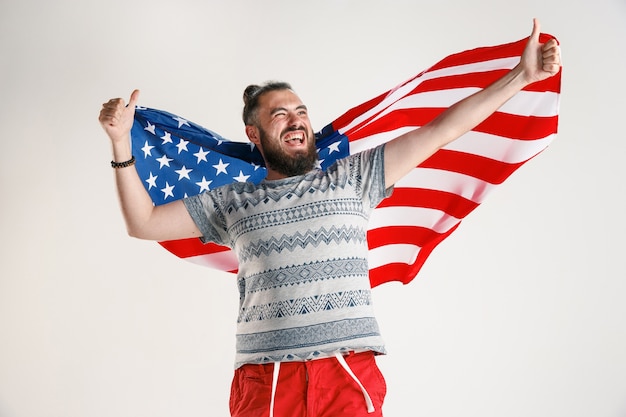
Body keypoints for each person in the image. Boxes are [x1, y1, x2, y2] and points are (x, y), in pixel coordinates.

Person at [99, 19, 560, 417]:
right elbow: (145, 223)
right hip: (265, 379)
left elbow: (441, 129)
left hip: (347, 373)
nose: (296, 120)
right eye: (280, 115)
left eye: (301, 111)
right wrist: (121, 143)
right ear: (254, 134)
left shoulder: (353, 178)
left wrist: (520, 76)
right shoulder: (231, 201)